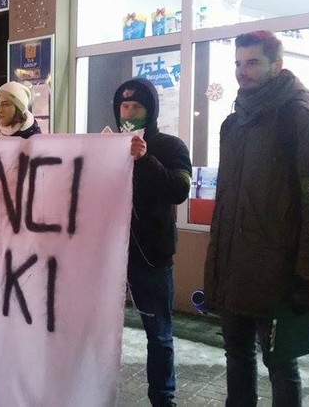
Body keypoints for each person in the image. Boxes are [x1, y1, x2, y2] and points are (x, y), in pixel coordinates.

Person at [204, 30, 309, 406]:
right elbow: (228, 205)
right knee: (237, 358)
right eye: (238, 63)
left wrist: (307, 277)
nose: (242, 72)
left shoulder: (300, 120)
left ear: (276, 65)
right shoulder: (234, 124)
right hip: (235, 271)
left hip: (279, 275)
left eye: (253, 63)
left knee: (280, 365)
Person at [113, 78, 192, 407]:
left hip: (152, 256)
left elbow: (179, 190)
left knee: (158, 334)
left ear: (151, 110)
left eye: (137, 107)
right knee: (96, 329)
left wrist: (145, 159)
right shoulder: (107, 142)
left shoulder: (171, 147)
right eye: (124, 106)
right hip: (108, 254)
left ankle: (163, 399)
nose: (129, 112)